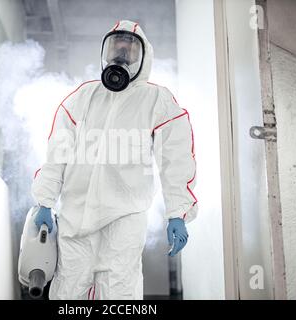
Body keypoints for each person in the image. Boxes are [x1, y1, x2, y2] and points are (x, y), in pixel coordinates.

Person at [32, 20, 197, 300]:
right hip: (76, 213)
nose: (120, 56)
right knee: (68, 289)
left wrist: (177, 213)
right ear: (105, 54)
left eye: (128, 52)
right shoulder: (83, 97)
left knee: (118, 289)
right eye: (115, 50)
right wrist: (45, 201)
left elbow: (175, 158)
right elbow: (57, 153)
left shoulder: (155, 100)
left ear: (142, 59)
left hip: (125, 215)